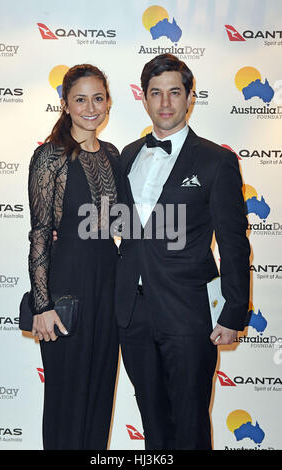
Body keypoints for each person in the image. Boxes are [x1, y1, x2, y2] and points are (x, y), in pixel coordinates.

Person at [115, 54, 250, 450]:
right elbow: (120, 227)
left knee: (190, 425)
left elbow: (234, 241)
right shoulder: (127, 155)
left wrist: (234, 309)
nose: (165, 103)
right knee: (153, 424)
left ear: (190, 97)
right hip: (133, 315)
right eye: (156, 93)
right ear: (144, 99)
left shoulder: (216, 160)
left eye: (175, 92)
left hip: (188, 313)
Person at [28, 64, 120, 450]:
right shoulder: (50, 157)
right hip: (66, 289)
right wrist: (42, 304)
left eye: (98, 98)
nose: (90, 107)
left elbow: (123, 223)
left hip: (108, 285)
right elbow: (39, 233)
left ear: (108, 102)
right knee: (66, 399)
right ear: (64, 104)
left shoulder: (114, 154)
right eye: (80, 99)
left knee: (100, 394)